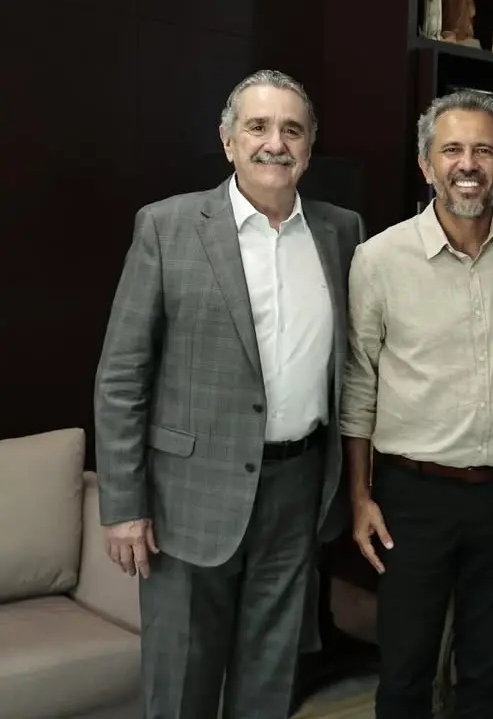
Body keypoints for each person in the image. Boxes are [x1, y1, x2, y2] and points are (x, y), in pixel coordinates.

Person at [93, 69, 364, 719]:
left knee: (270, 681)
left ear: (309, 145)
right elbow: (122, 375)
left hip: (297, 493)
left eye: (292, 129)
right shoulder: (168, 227)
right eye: (259, 127)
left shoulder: (343, 232)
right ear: (227, 141)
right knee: (182, 681)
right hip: (187, 501)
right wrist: (122, 505)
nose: (276, 142)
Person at [340, 89, 493, 719]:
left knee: (487, 669)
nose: (467, 164)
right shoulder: (379, 259)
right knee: (406, 668)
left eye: (483, 150)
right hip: (411, 498)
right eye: (452, 150)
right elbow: (358, 385)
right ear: (427, 165)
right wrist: (360, 498)